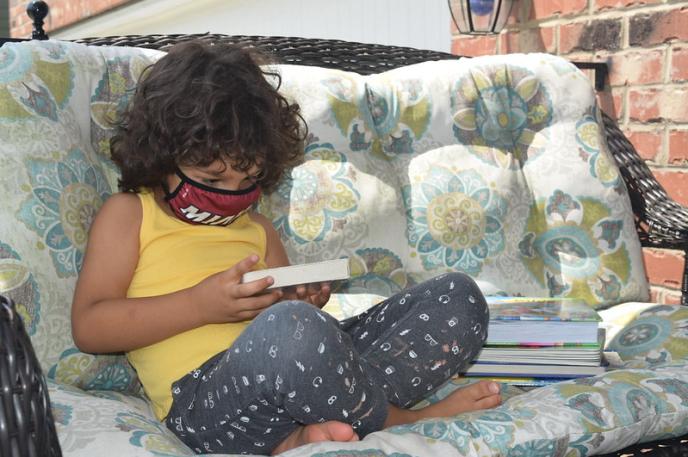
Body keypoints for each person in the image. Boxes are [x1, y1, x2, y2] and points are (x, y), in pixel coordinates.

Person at [71, 40, 501, 456]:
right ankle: (392, 419)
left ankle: (298, 437)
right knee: (291, 327)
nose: (231, 193)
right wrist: (201, 305)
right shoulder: (130, 214)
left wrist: (305, 299)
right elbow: (90, 327)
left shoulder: (256, 227)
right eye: (213, 179)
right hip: (206, 406)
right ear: (162, 154)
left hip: (296, 388)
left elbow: (298, 332)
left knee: (456, 295)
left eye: (247, 179)